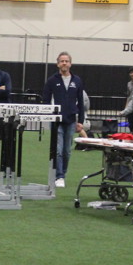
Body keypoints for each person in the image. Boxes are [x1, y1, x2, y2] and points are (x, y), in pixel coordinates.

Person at [43, 51, 86, 188]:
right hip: (56, 120)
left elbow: (81, 102)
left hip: (71, 120)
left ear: (70, 64)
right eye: (62, 61)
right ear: (58, 64)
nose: (64, 63)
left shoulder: (77, 81)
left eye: (66, 61)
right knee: (58, 150)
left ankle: (63, 173)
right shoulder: (52, 80)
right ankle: (59, 176)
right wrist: (48, 115)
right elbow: (46, 100)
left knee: (67, 150)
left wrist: (81, 121)